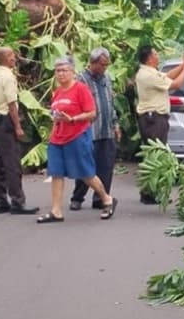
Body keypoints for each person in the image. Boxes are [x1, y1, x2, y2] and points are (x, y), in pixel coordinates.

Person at [37, 57, 116, 223]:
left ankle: (107, 198)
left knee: (85, 173)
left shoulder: (81, 89)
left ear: (73, 72)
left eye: (65, 70)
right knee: (56, 173)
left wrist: (73, 119)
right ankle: (56, 211)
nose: (61, 74)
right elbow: (56, 114)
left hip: (77, 136)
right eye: (58, 71)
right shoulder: (58, 92)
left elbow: (92, 113)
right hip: (57, 138)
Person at [134, 44, 184, 204]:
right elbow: (175, 84)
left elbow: (167, 76)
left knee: (153, 155)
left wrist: (182, 66)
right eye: (155, 53)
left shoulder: (150, 73)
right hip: (153, 119)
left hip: (152, 118)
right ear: (149, 58)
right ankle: (151, 192)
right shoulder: (147, 75)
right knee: (157, 156)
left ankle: (149, 191)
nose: (158, 55)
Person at [0, 47, 37, 215]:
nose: (15, 58)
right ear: (5, 58)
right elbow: (12, 104)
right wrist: (18, 126)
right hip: (6, 120)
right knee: (12, 162)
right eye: (12, 55)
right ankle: (17, 201)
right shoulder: (8, 77)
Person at [71, 47, 121, 211]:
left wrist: (116, 124)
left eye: (106, 65)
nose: (104, 68)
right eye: (102, 65)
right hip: (88, 131)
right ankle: (77, 197)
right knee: (86, 166)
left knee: (106, 166)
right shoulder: (81, 80)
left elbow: (109, 102)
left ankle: (101, 198)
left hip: (106, 129)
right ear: (92, 63)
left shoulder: (106, 78)